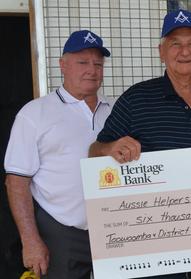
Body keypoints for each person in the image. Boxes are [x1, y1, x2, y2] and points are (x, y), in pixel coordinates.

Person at [89, 9, 191, 279]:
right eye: (175, 44)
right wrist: (109, 149)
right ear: (161, 52)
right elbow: (94, 153)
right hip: (152, 248)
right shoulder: (136, 100)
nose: (185, 51)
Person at [4, 30, 112, 278]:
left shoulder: (115, 111)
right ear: (63, 65)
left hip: (111, 228)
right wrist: (30, 241)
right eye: (82, 62)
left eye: (98, 63)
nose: (92, 70)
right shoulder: (34, 114)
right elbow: (16, 182)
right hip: (61, 234)